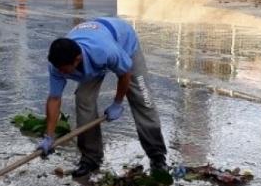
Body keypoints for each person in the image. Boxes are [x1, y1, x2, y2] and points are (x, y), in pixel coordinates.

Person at [39, 17, 168, 177]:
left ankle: (157, 156)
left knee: (143, 99)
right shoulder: (57, 66)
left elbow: (124, 73)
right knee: (83, 101)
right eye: (60, 70)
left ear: (77, 60)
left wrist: (117, 103)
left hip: (123, 42)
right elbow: (54, 99)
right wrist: (49, 135)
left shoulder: (105, 51)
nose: (63, 74)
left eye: (66, 70)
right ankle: (90, 159)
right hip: (94, 47)